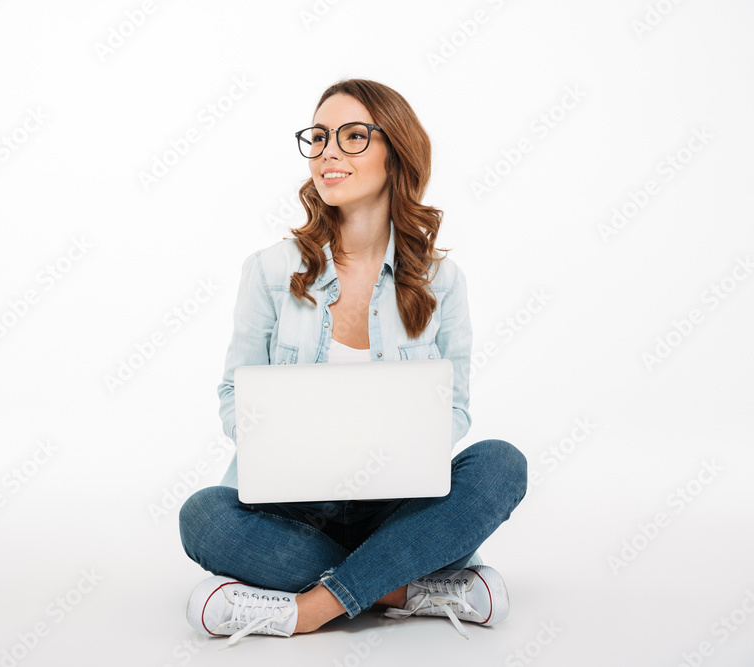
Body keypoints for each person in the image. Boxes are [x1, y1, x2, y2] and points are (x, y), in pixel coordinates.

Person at [178, 78, 528, 648]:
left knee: (501, 464)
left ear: (396, 153)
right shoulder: (269, 270)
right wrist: (284, 444)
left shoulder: (441, 282)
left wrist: (396, 450)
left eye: (352, 136)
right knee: (205, 517)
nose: (327, 152)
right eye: (317, 137)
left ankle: (307, 609)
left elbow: (456, 409)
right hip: (293, 509)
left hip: (397, 506)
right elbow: (231, 395)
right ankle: (409, 586)